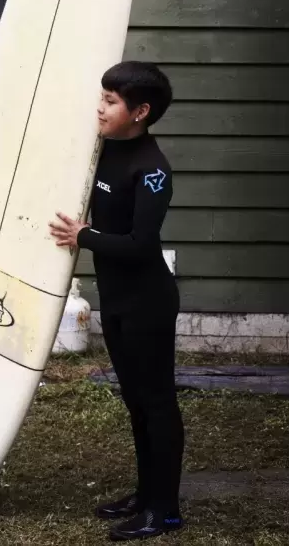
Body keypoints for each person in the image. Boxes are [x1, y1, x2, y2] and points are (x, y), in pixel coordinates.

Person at [49, 61, 184, 541]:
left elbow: (141, 245)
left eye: (110, 101)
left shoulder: (151, 170)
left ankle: (165, 510)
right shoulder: (103, 150)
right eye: (101, 98)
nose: (100, 108)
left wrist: (84, 236)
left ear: (140, 111)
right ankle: (146, 495)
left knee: (157, 403)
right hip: (119, 301)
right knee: (136, 403)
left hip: (148, 301)